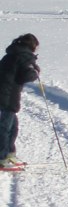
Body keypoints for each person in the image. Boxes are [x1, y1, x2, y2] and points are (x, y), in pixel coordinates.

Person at [0, 33, 40, 168]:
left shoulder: (11, 54)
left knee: (13, 127)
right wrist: (36, 71)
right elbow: (26, 75)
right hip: (8, 95)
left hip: (7, 93)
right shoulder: (23, 57)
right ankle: (2, 157)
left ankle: (10, 153)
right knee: (5, 128)